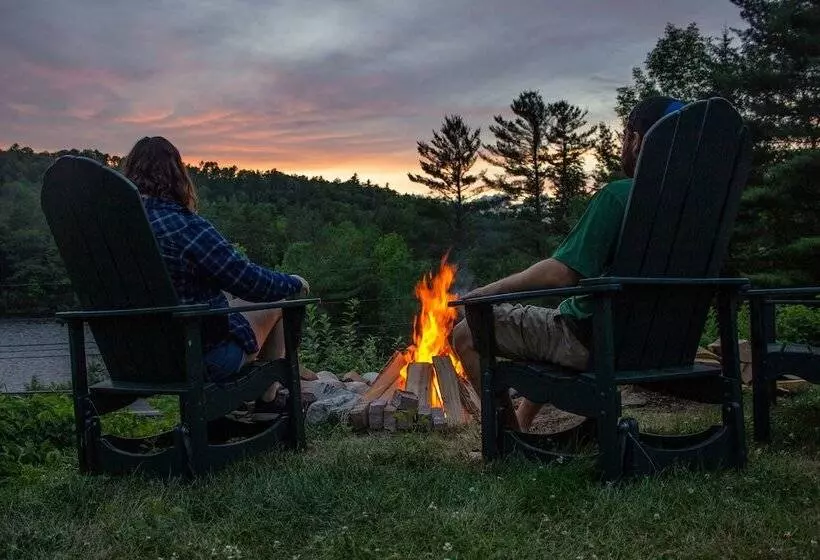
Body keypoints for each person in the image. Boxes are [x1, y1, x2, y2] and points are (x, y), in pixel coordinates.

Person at [452, 96, 686, 431]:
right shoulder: (700, 211)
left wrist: (482, 295)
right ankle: (521, 422)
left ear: (636, 141)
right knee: (552, 323)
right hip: (665, 344)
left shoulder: (620, 196)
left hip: (593, 341)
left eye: (626, 136)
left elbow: (560, 274)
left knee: (465, 333)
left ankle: (508, 442)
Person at [122, 136, 309, 406]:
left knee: (233, 304)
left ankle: (260, 396)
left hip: (138, 362)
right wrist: (293, 282)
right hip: (200, 358)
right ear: (177, 174)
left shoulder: (118, 233)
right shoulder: (184, 226)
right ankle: (266, 396)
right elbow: (250, 282)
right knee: (278, 301)